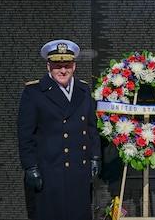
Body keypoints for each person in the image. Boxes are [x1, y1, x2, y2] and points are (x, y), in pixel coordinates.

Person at [17, 39, 102, 220]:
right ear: (49, 67)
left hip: (79, 168)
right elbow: (26, 135)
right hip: (50, 170)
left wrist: (95, 156)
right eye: (58, 66)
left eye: (67, 65)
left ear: (74, 66)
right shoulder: (34, 92)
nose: (63, 71)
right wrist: (30, 166)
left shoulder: (83, 89)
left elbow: (90, 127)